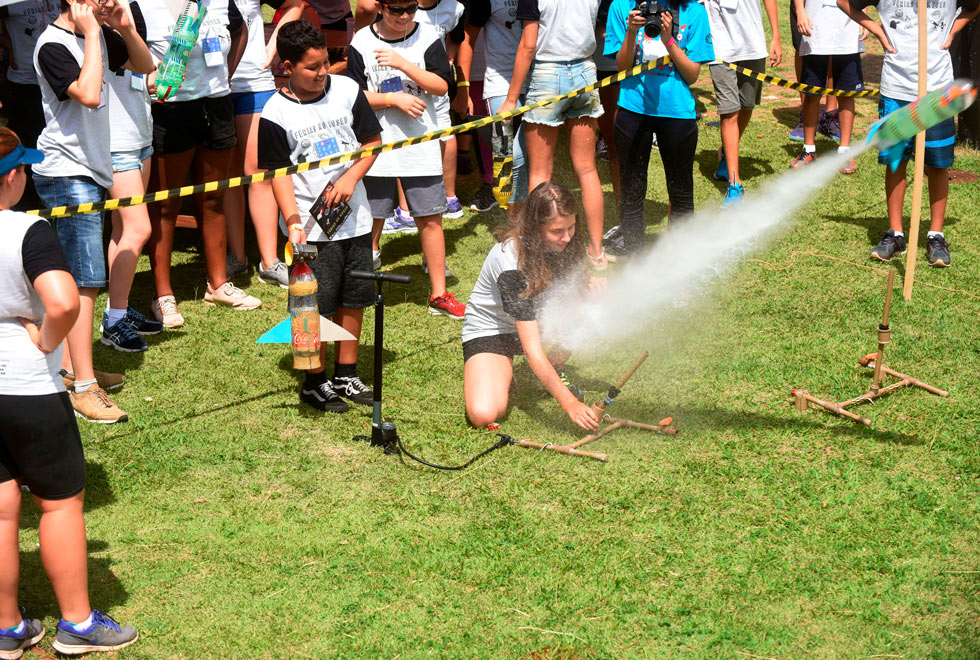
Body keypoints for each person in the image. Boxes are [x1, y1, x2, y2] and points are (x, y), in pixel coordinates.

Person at [0, 128, 139, 658]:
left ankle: (8, 628)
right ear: (12, 178)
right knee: (59, 504)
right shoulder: (27, 230)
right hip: (28, 387)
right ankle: (77, 624)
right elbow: (61, 303)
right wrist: (47, 343)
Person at [32, 0, 154, 423]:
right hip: (67, 171)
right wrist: (92, 34)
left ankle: (72, 369)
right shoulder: (52, 44)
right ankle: (84, 387)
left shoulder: (97, 34)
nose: (107, 0)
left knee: (82, 278)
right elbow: (86, 95)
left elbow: (145, 66)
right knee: (84, 281)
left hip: (91, 167)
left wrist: (125, 27)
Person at [258, 20, 383, 412]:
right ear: (288, 66)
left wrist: (350, 178)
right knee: (311, 307)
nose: (322, 72)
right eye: (312, 67)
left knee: (355, 297)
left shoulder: (347, 91)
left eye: (326, 62)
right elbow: (277, 175)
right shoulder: (275, 113)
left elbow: (372, 142)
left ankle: (346, 374)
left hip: (356, 220)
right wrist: (293, 220)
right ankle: (314, 380)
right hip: (311, 232)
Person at [143, 0, 261, 329]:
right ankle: (163, 295)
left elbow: (240, 32)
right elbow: (128, 55)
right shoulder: (143, 6)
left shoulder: (221, 2)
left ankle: (218, 284)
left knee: (213, 198)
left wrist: (225, 76)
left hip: (217, 104)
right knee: (166, 204)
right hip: (170, 110)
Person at [347, 0, 466, 319]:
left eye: (410, 9)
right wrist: (391, 99)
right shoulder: (362, 41)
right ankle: (362, 287)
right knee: (369, 219)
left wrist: (403, 64)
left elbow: (442, 86)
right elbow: (353, 96)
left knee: (431, 217)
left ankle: (439, 295)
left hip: (421, 144)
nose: (403, 17)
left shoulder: (427, 37)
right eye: (396, 10)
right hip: (376, 145)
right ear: (381, 7)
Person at [839, 0, 980, 266]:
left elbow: (973, 6)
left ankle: (935, 235)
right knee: (896, 160)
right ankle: (896, 234)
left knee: (938, 164)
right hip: (896, 87)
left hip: (937, 89)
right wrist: (879, 32)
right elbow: (845, 3)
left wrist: (952, 31)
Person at [463, 182, 602, 431]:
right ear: (535, 228)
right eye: (557, 231)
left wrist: (591, 286)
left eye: (571, 226)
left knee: (592, 302)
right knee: (483, 414)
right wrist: (569, 403)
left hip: (538, 320)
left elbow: (576, 285)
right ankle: (511, 373)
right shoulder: (510, 263)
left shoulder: (567, 242)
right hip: (494, 331)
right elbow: (532, 349)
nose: (567, 237)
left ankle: (550, 369)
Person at [500, 0, 611, 270]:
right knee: (587, 170)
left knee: (539, 173)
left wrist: (511, 99)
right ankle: (596, 252)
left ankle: (537, 253)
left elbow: (528, 45)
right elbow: (604, 31)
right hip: (586, 71)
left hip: (548, 73)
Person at [605, 0, 714, 250]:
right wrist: (632, 31)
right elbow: (622, 68)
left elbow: (692, 75)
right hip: (633, 109)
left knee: (681, 195)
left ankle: (678, 263)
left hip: (677, 113)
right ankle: (635, 263)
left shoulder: (693, 11)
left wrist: (669, 40)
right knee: (632, 195)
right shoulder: (621, 7)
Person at [224, 0, 302, 291]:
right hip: (210, 86)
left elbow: (295, 4)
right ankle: (237, 256)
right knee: (228, 177)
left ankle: (269, 262)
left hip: (254, 83)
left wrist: (273, 47)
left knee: (260, 170)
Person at [102, 0, 164, 354]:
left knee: (123, 228)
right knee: (139, 228)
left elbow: (143, 66)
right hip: (115, 142)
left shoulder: (127, 6)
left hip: (139, 132)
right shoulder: (91, 22)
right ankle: (114, 320)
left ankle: (118, 310)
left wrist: (151, 82)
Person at [704, 0, 782, 205]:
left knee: (747, 106)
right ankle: (734, 184)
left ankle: (726, 153)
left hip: (752, 44)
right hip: (720, 47)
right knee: (729, 112)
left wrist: (776, 36)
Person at [458, 0, 531, 213]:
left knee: (531, 155)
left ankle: (533, 217)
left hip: (538, 81)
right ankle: (514, 224)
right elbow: (467, 40)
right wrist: (464, 88)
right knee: (505, 157)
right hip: (499, 84)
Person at [0, 0, 60, 210]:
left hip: (59, 81)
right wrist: (6, 43)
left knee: (55, 142)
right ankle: (23, 206)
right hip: (25, 83)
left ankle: (53, 202)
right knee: (27, 145)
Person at [790, 0, 863, 173]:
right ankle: (808, 149)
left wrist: (863, 17)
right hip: (815, 32)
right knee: (811, 94)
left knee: (846, 94)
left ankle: (845, 151)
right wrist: (800, 10)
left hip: (847, 35)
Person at [415, 0, 465, 219]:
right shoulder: (402, 6)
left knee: (446, 131)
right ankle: (410, 205)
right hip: (408, 80)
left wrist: (449, 59)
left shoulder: (455, 8)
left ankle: (450, 198)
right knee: (411, 133)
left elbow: (456, 38)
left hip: (438, 80)